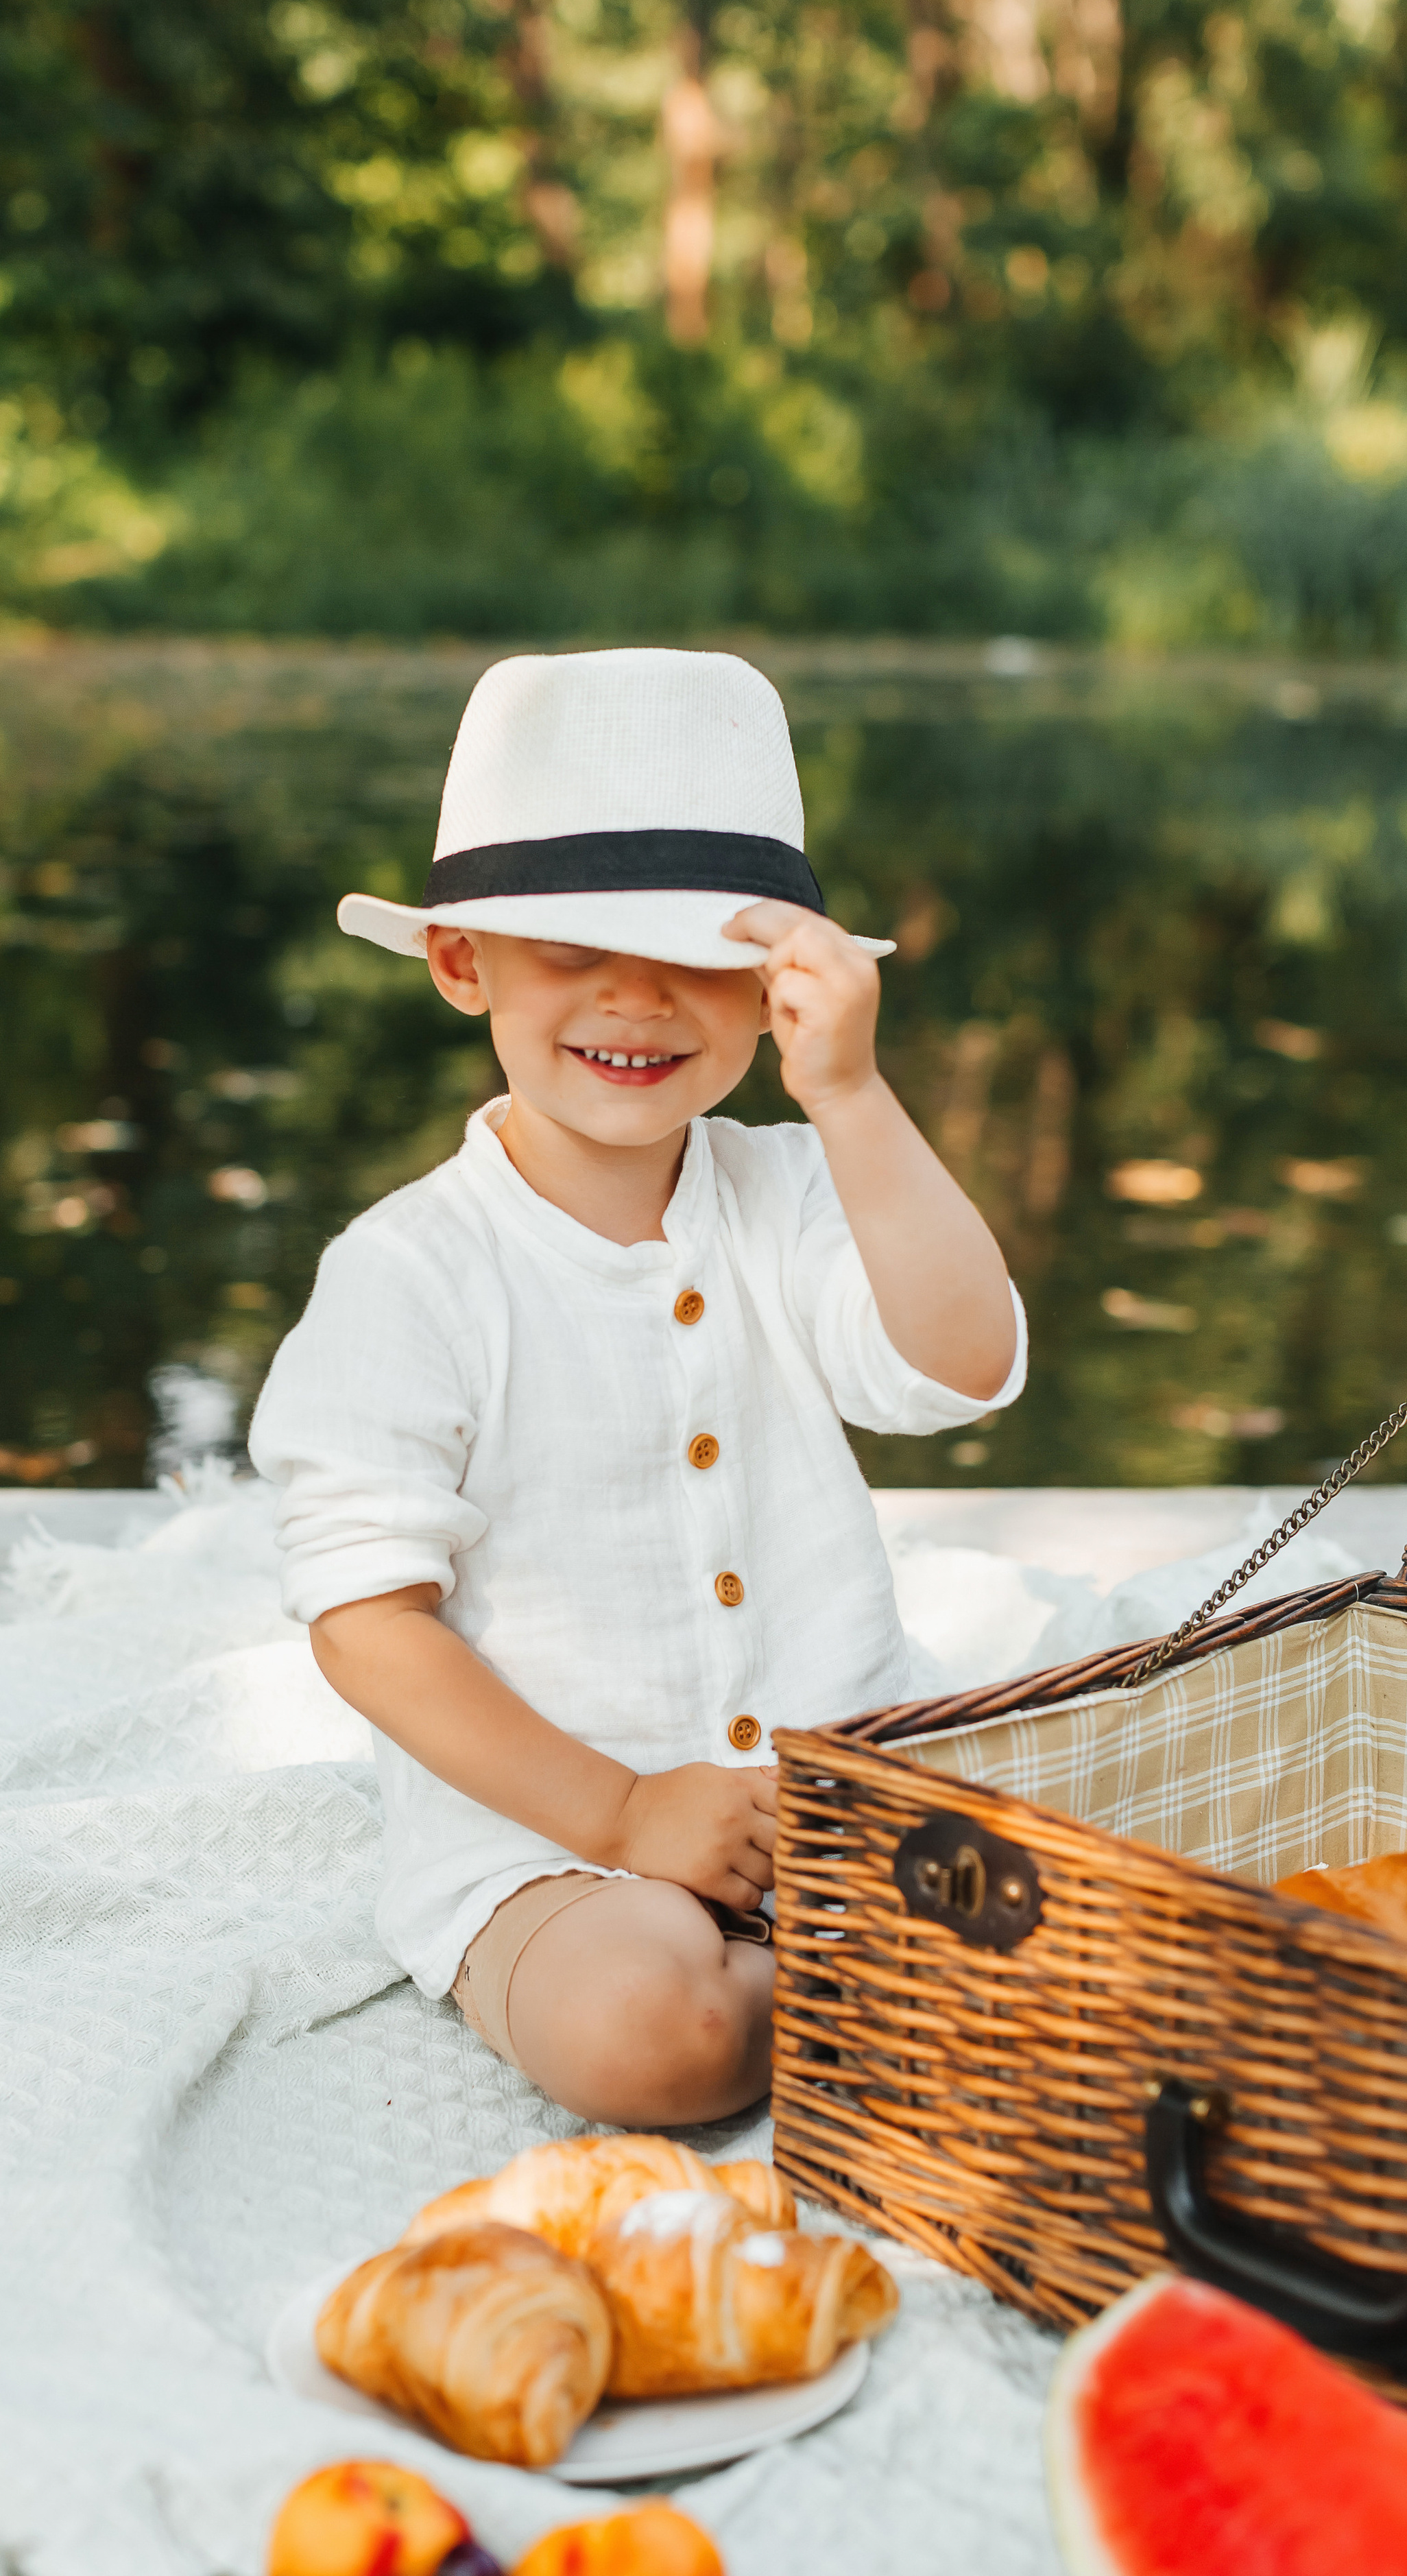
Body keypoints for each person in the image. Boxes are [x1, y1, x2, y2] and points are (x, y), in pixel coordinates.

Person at [249, 649, 1024, 2129]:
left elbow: (960, 1364)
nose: (639, 998)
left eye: (698, 952)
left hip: (835, 1798)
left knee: (1133, 1882)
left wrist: (849, 1099)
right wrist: (622, 1813)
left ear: (772, 984)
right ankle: (882, 2006)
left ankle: (871, 1984)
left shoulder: (793, 1188)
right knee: (642, 2031)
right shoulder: (412, 1271)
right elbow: (363, 1625)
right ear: (460, 961)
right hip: (552, 1837)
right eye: (571, 950)